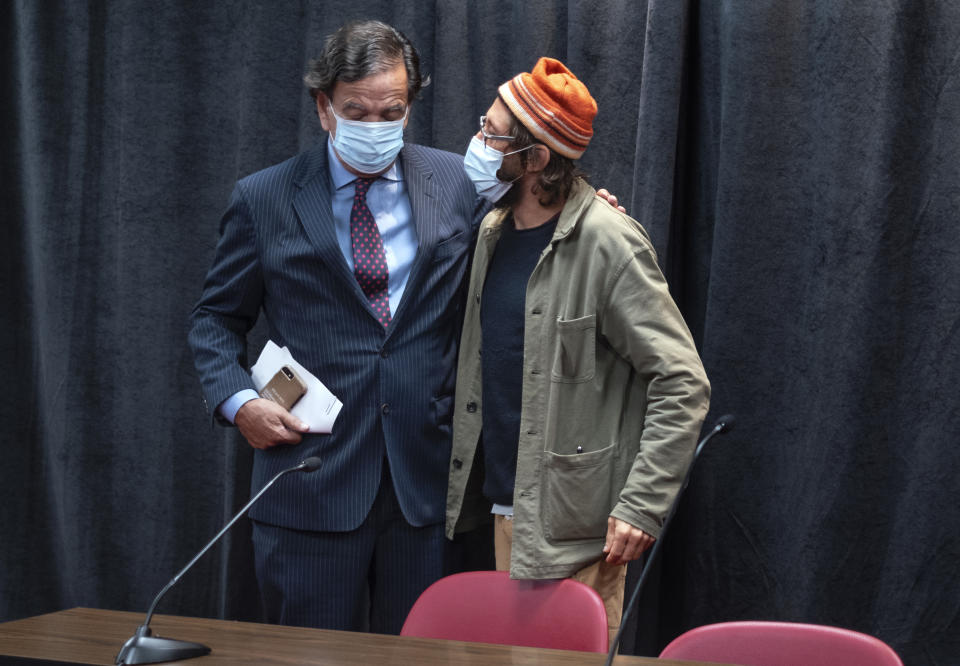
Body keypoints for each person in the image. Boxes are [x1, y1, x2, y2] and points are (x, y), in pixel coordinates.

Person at [188, 20, 481, 634]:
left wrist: (594, 212)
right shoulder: (264, 198)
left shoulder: (456, 183)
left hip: (425, 492)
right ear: (324, 107)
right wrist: (238, 402)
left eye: (391, 112)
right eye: (357, 111)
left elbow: (531, 232)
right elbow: (216, 319)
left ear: (409, 108)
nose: (375, 127)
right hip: (309, 486)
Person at [445, 58, 711, 643]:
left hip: (577, 530)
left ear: (536, 158)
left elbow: (683, 382)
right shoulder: (492, 232)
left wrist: (641, 506)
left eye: (493, 134)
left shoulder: (609, 242)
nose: (479, 144)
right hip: (508, 510)